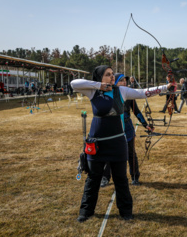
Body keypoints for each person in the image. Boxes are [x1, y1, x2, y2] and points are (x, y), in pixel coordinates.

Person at [71, 65, 171, 223]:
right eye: (108, 74)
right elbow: (73, 83)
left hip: (118, 142)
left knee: (121, 179)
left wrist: (166, 87)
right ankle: (86, 211)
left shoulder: (121, 91)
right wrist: (99, 86)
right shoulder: (92, 91)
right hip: (97, 143)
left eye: (112, 74)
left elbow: (143, 93)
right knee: (93, 178)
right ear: (100, 77)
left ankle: (126, 211)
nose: (112, 77)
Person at [100, 74, 153, 188]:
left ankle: (134, 177)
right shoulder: (108, 94)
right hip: (113, 128)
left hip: (127, 127)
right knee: (109, 153)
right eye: (121, 81)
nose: (124, 83)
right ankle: (105, 177)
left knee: (131, 154)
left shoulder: (129, 95)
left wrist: (145, 125)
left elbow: (136, 111)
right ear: (115, 82)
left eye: (125, 81)